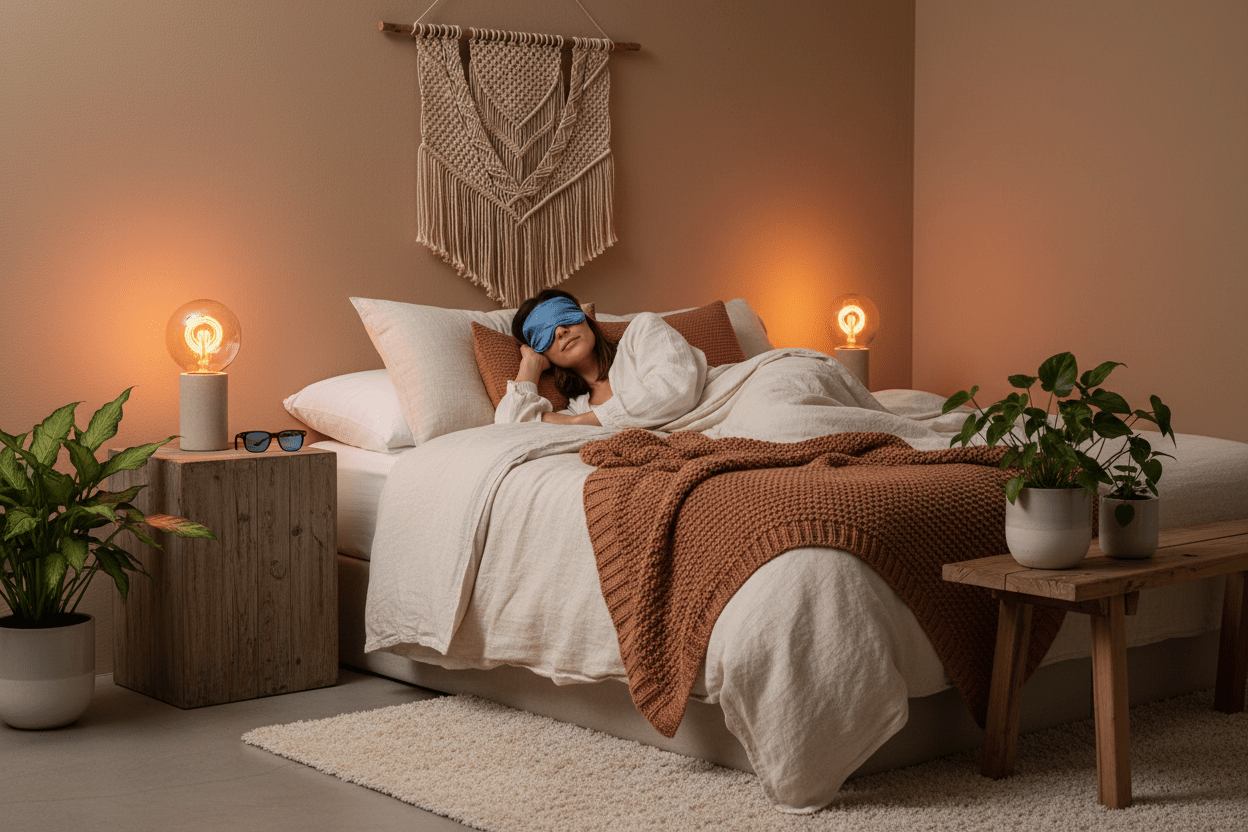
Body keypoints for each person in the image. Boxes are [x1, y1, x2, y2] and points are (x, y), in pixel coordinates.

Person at [495, 288, 708, 428]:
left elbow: (676, 388)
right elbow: (509, 427)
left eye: (563, 316)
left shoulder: (642, 331)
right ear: (541, 351)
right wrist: (529, 365)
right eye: (543, 333)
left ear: (585, 319)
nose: (560, 330)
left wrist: (575, 423)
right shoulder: (578, 409)